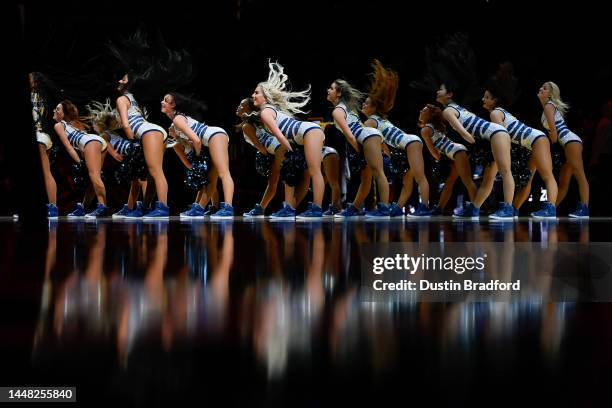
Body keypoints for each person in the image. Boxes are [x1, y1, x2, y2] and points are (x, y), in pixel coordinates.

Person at [251, 61, 326, 219]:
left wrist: (290, 151)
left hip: (309, 132)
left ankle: (317, 208)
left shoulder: (265, 113)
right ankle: (289, 208)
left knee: (314, 171)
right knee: (295, 171)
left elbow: (279, 135)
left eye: (256, 93)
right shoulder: (270, 109)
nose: (253, 95)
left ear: (265, 97)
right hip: (306, 134)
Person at [482, 66, 558, 218]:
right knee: (528, 179)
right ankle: (514, 209)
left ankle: (550, 209)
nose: (483, 100)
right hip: (533, 142)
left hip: (537, 140)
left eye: (487, 97)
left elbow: (501, 136)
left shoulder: (496, 113)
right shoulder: (500, 112)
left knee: (547, 175)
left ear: (495, 101)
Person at [362, 60, 431, 217]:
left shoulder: (370, 121)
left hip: (409, 144)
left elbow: (372, 141)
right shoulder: (379, 118)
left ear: (374, 108)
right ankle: (398, 208)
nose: (363, 106)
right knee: (408, 181)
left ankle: (425, 207)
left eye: (366, 104)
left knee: (420, 177)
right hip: (408, 144)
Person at [436, 82, 516, 220]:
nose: (437, 91)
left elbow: (466, 136)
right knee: (488, 178)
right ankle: (474, 209)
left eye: (441, 89)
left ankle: (508, 209)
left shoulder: (448, 111)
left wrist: (474, 144)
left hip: (495, 134)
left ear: (449, 94)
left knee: (505, 171)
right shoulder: (458, 108)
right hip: (495, 135)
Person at [161, 92, 234, 218]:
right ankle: (205, 207)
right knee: (211, 178)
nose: (162, 102)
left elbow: (196, 140)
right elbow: (188, 144)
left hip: (214, 136)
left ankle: (228, 208)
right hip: (212, 139)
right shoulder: (175, 123)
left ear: (173, 105)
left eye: (165, 100)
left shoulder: (178, 119)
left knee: (223, 172)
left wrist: (198, 157)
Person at [328, 79, 390, 218]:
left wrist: (358, 151)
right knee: (366, 179)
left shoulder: (338, 111)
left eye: (331, 88)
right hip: (367, 138)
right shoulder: (348, 108)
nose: (328, 90)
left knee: (378, 173)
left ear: (338, 93)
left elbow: (349, 136)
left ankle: (384, 209)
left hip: (366, 138)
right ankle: (355, 207)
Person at [115, 74, 170, 219]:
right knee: (152, 174)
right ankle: (146, 207)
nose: (119, 81)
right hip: (157, 131)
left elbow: (126, 125)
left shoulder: (121, 99)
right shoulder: (136, 101)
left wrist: (133, 143)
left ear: (130, 84)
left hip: (148, 132)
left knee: (156, 172)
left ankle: (163, 208)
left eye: (123, 79)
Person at [538, 81, 589, 218]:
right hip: (568, 143)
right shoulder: (547, 106)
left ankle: (584, 208)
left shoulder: (549, 106)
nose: (541, 89)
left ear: (550, 93)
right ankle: (551, 209)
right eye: (541, 87)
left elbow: (554, 133)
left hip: (570, 141)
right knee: (563, 182)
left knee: (579, 175)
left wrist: (548, 145)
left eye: (545, 88)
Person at [53, 100, 109, 217]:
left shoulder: (59, 125)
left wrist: (79, 162)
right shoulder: (75, 123)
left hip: (90, 142)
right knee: (93, 178)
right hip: (98, 142)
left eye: (58, 109)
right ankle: (84, 207)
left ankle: (102, 207)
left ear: (64, 114)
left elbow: (69, 147)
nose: (54, 111)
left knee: (94, 176)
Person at [418, 104, 477, 213]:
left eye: (424, 110)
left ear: (430, 115)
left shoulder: (425, 129)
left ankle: (475, 209)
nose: (421, 111)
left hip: (456, 152)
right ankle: (439, 208)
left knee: (467, 181)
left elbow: (434, 153)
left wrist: (441, 161)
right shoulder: (434, 126)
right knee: (451, 182)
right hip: (455, 152)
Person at [30, 72, 58, 218]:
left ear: (34, 83)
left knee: (45, 172)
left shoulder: (36, 98)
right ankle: (49, 206)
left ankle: (53, 207)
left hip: (39, 136)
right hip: (43, 136)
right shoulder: (43, 97)